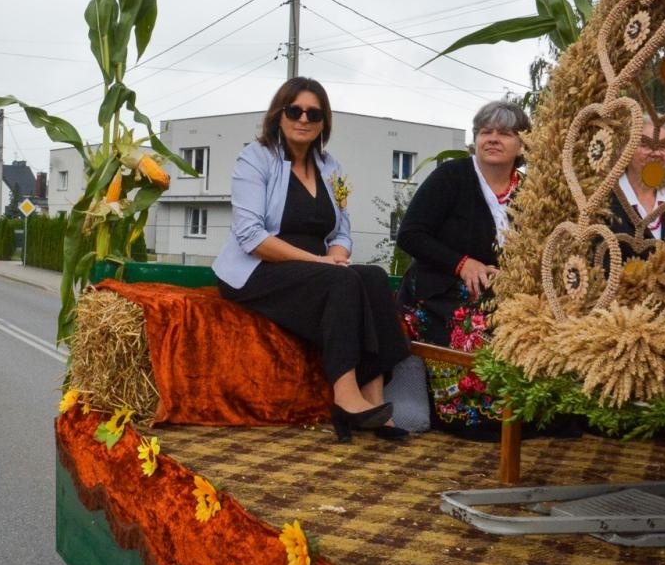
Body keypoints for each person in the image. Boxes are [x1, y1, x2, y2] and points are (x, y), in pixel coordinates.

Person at [212, 77, 411, 443]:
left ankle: (375, 401)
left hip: (312, 269)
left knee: (374, 277)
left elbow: (341, 232)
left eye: (313, 113)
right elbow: (251, 237)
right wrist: (319, 263)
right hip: (258, 269)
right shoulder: (255, 159)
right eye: (295, 110)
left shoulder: (329, 167)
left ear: (323, 122)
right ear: (279, 114)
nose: (303, 119)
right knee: (342, 280)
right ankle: (345, 395)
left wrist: (335, 255)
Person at [396, 99, 529, 436]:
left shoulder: (529, 192)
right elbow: (410, 234)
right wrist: (462, 264)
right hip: (439, 289)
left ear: (522, 144)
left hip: (504, 292)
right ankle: (472, 417)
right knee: (475, 327)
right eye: (486, 132)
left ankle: (532, 414)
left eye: (505, 133)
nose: (493, 139)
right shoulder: (451, 177)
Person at [608, 117, 665, 257]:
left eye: (663, 146)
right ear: (626, 149)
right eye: (645, 145)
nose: (655, 153)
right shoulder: (606, 202)